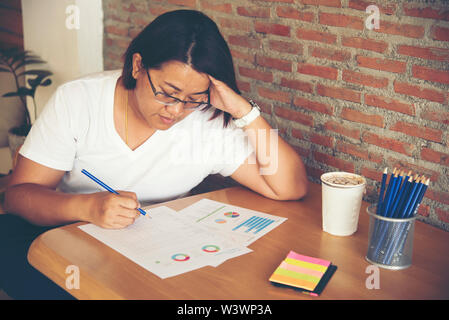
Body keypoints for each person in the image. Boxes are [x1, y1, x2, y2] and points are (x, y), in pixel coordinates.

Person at [1, 10, 307, 299]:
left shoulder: (208, 120)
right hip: (72, 236)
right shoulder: (79, 100)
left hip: (159, 254)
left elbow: (289, 187)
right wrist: (88, 206)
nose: (175, 111)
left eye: (193, 99)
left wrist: (245, 112)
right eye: (167, 92)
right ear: (138, 66)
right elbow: (17, 196)